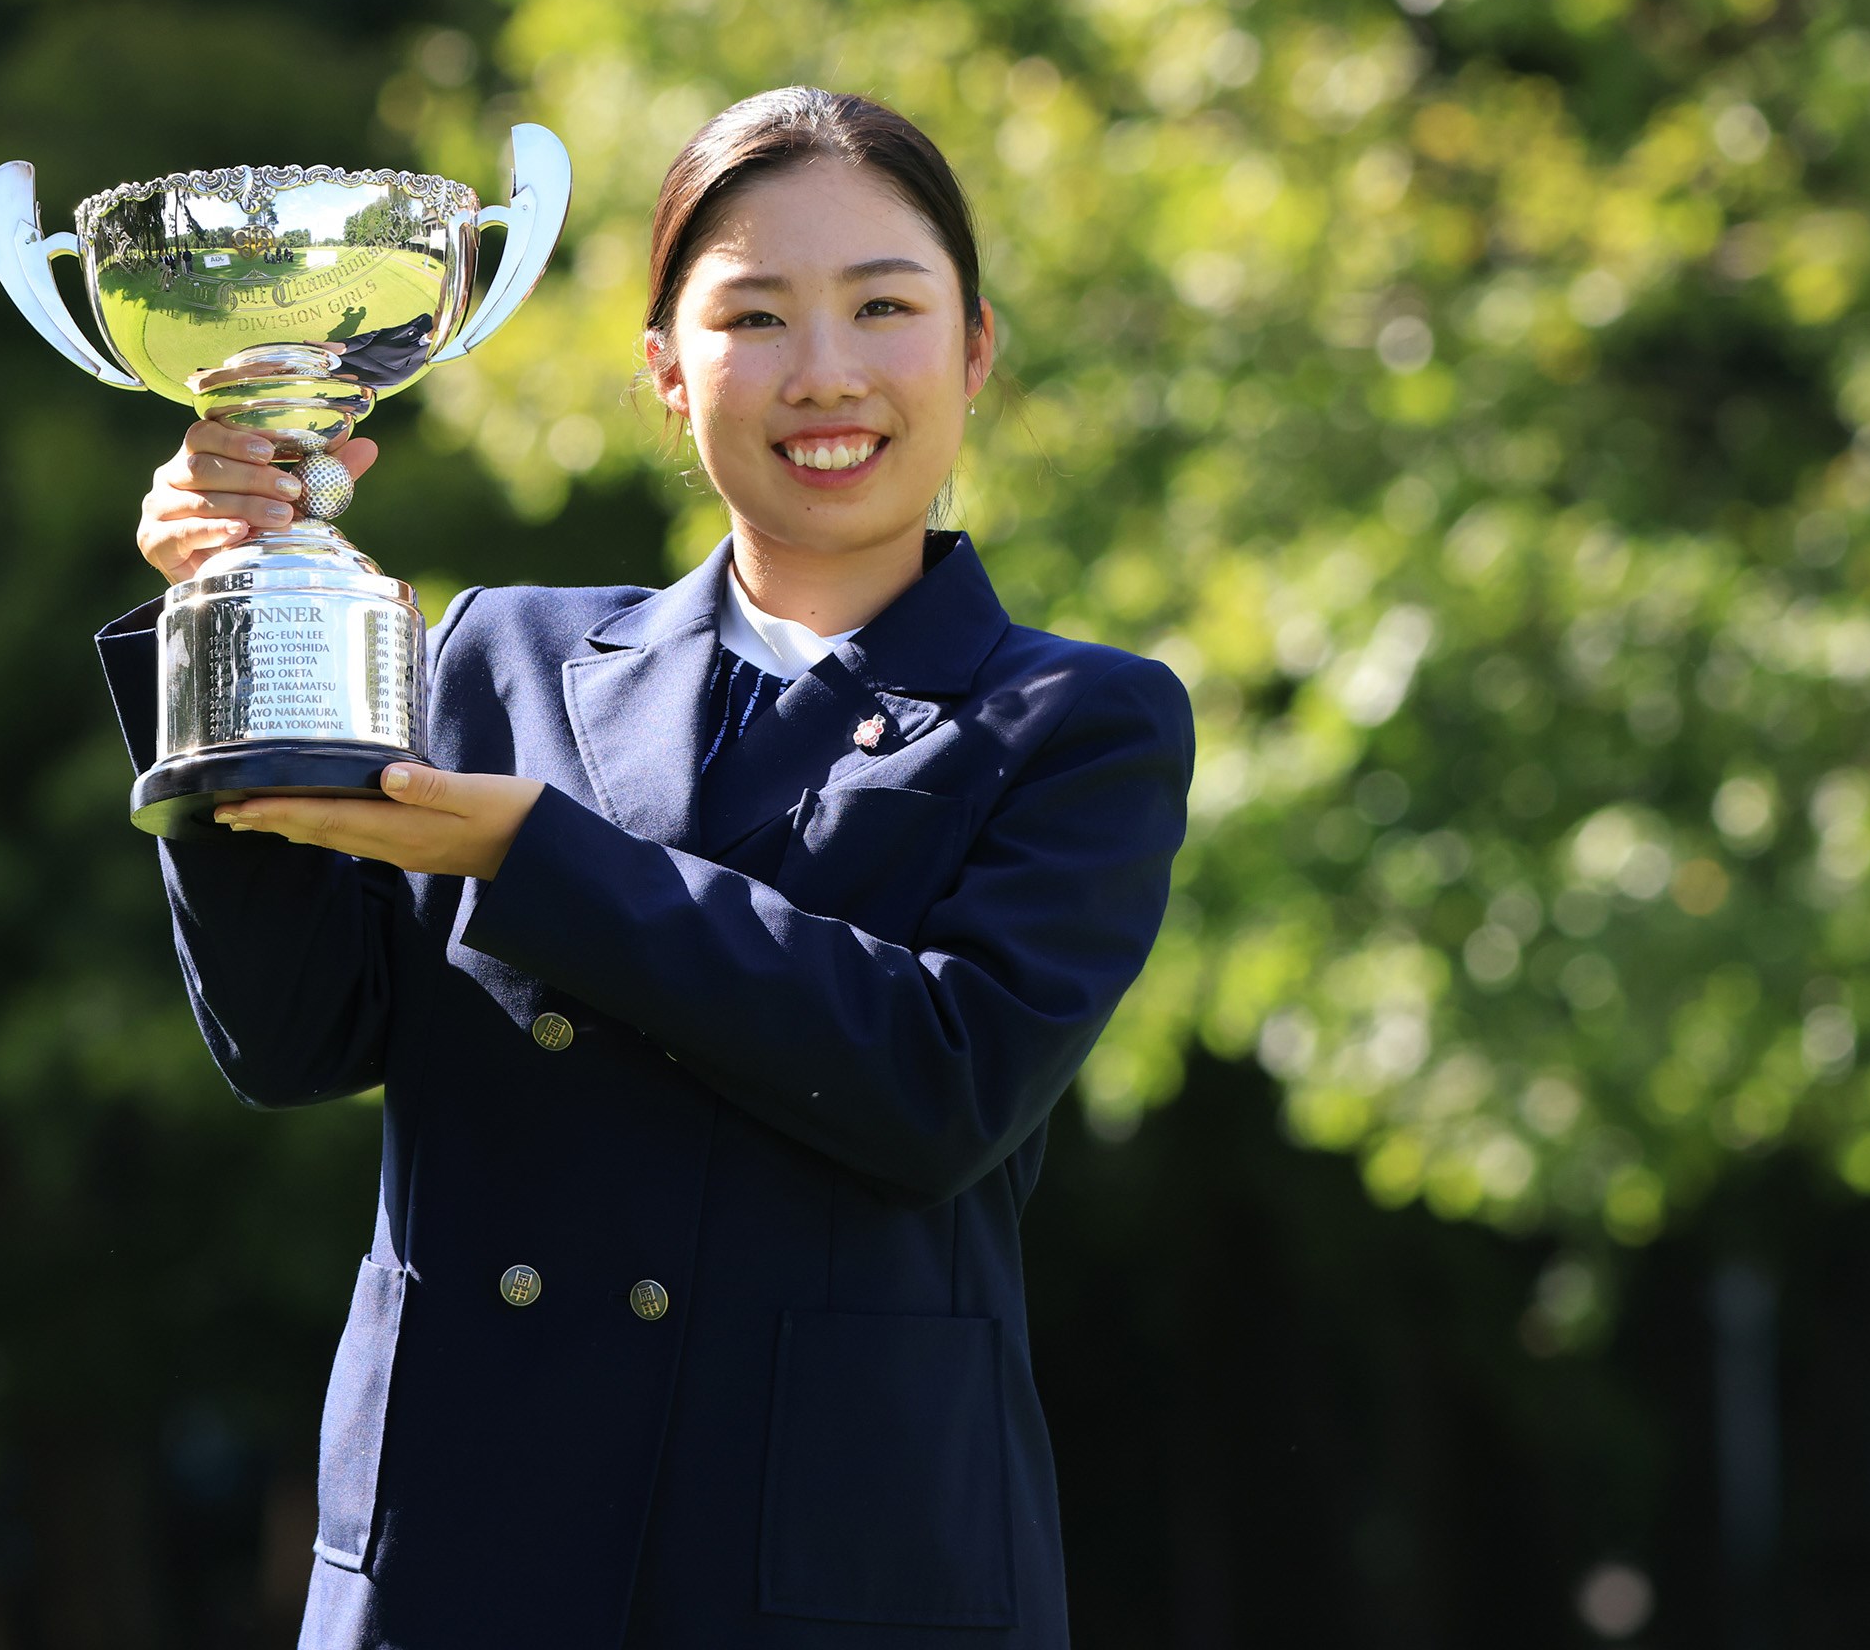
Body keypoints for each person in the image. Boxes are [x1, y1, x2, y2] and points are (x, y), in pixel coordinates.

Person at [99, 88, 1193, 1648]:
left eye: (885, 305)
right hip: (460, 1555)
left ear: (973, 350)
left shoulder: (1078, 720)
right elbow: (294, 1043)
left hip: (833, 1572)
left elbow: (939, 1082)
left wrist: (539, 856)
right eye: (754, 316)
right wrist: (228, 632)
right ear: (670, 376)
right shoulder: (498, 653)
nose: (826, 374)